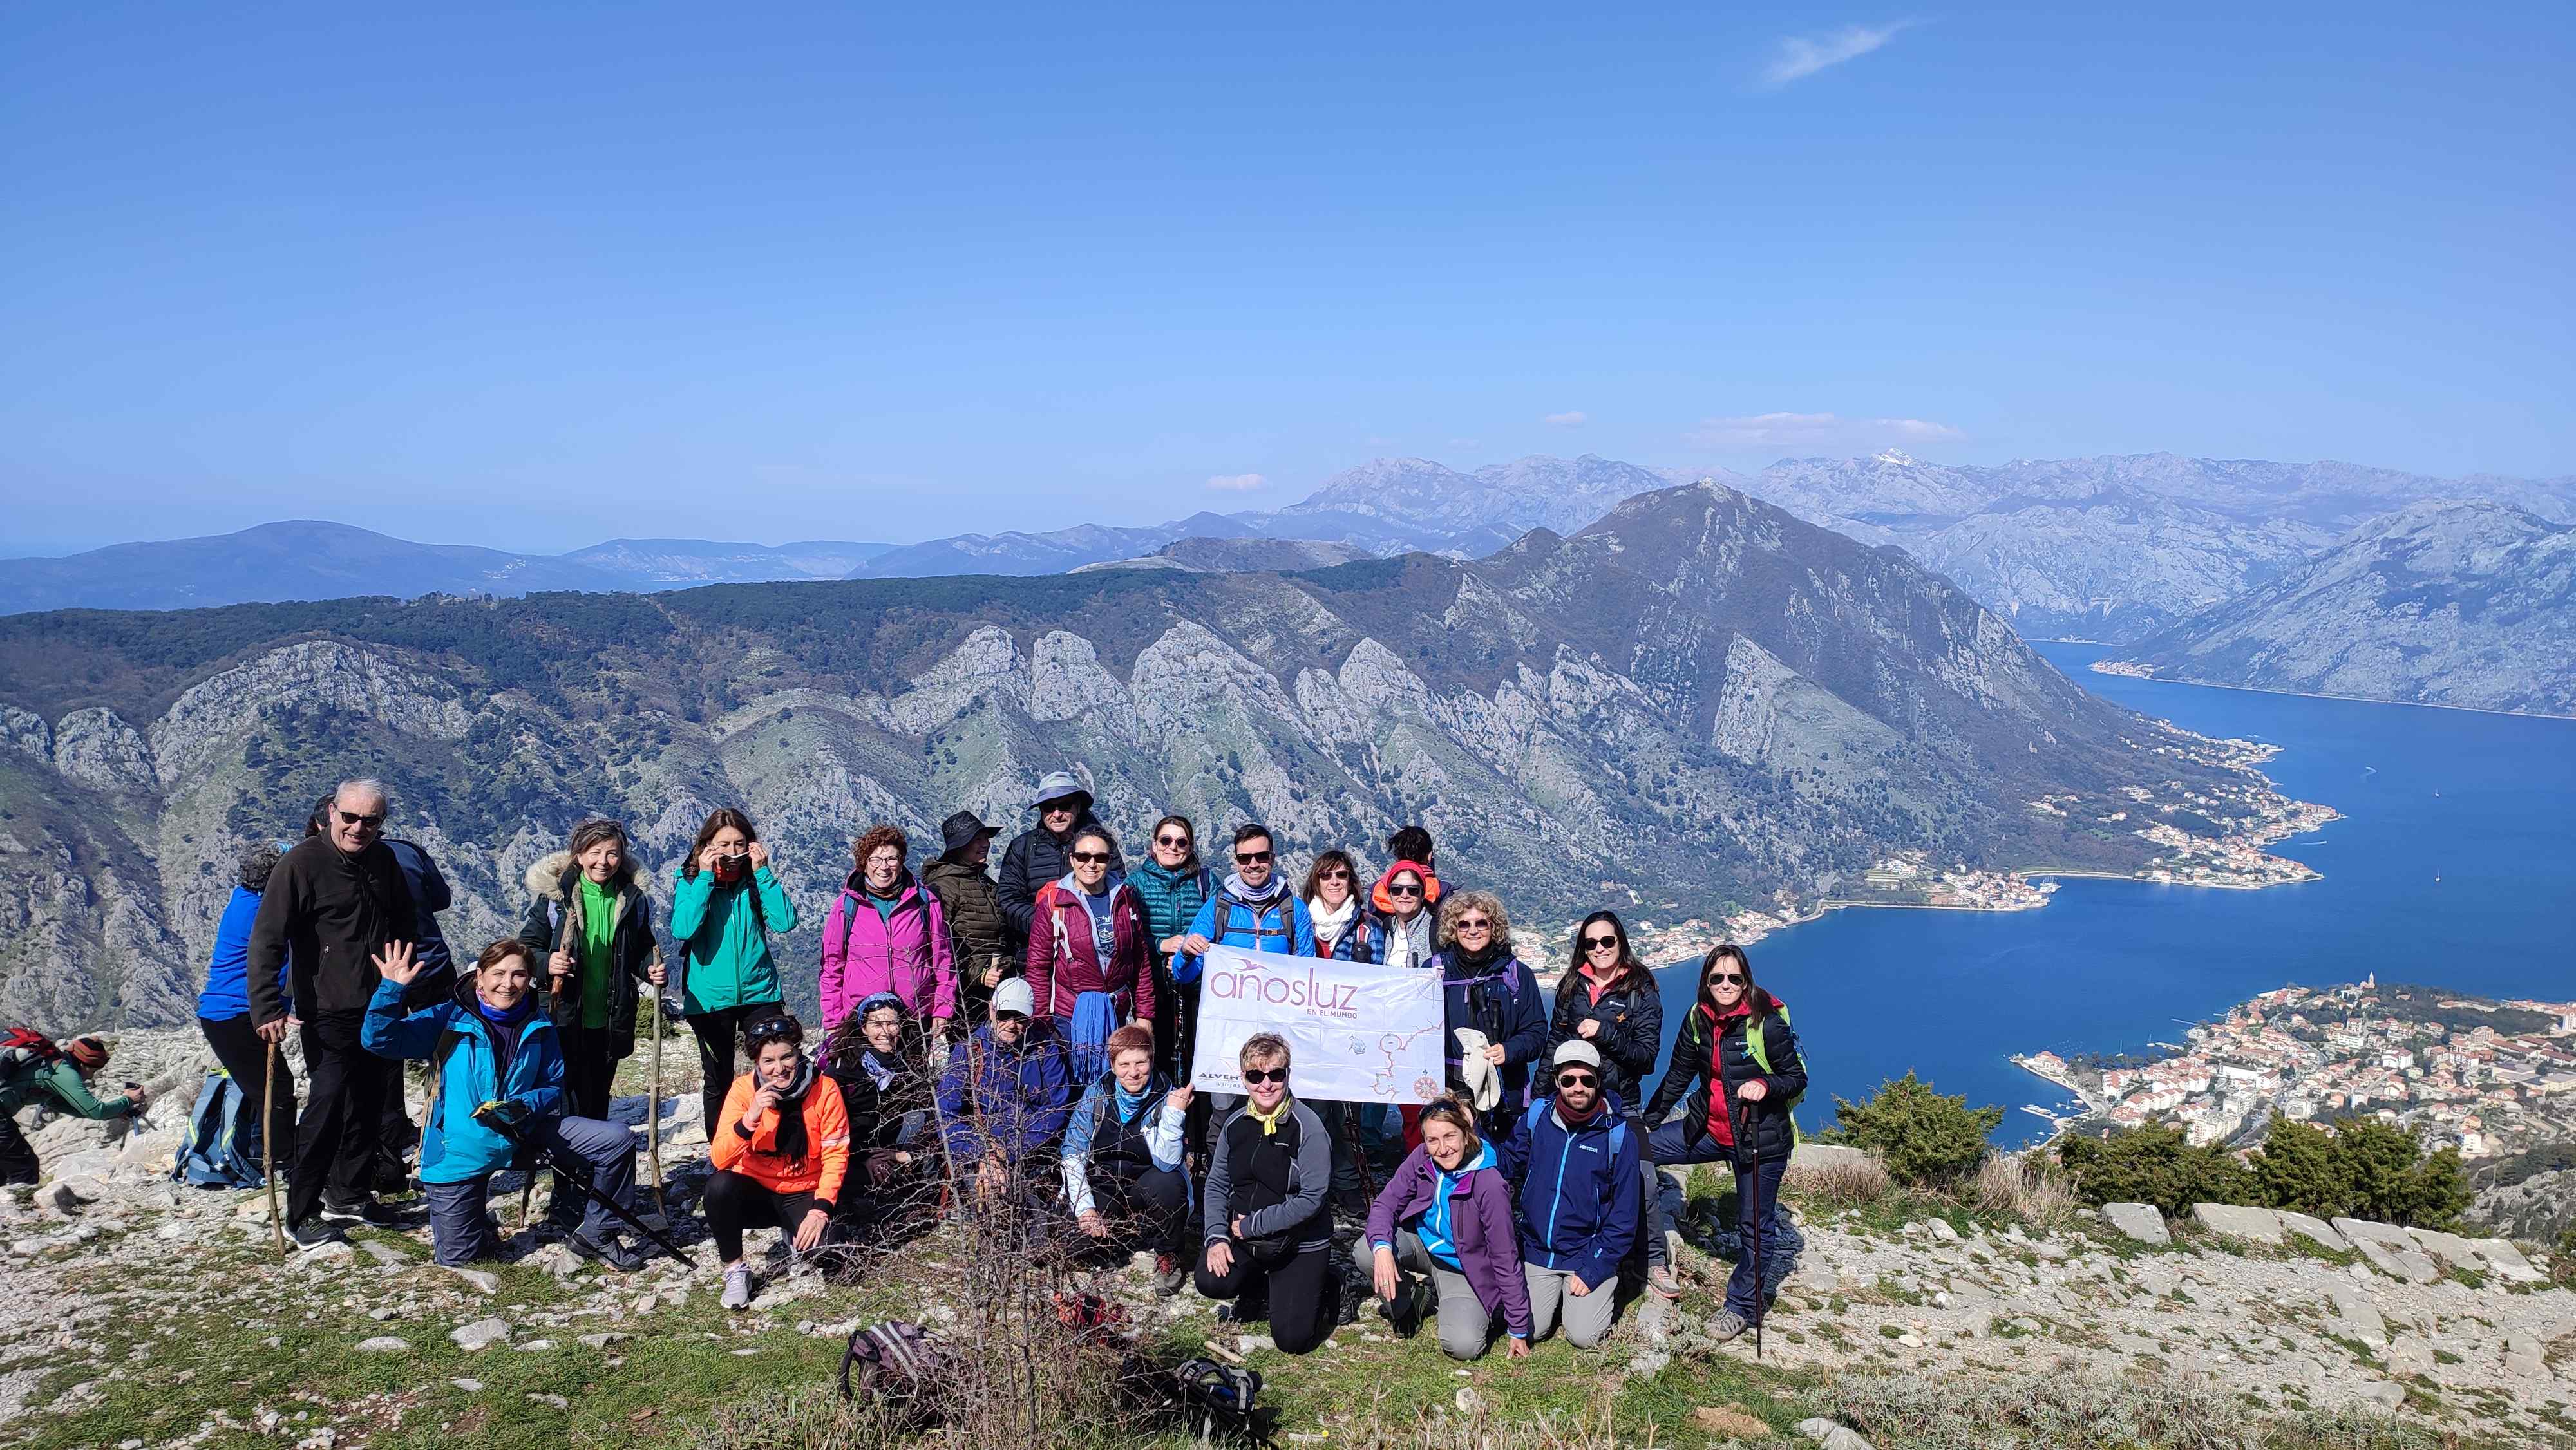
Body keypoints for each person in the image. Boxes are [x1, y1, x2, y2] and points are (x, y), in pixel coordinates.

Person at [359, 939, 647, 1270]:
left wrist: (524, 1106)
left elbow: (552, 1084)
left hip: (524, 1134)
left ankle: (598, 1234)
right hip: (461, 1148)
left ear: (529, 980)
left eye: (518, 975)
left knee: (616, 1141)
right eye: (498, 973)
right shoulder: (449, 1018)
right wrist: (391, 990)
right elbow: (378, 1040)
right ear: (479, 977)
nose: (507, 984)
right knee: (461, 1260)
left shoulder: (539, 1023)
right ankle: (477, 1224)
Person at [247, 778, 417, 1244]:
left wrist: (403, 975)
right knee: (326, 1109)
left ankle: (349, 1195)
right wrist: (266, 1008)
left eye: (371, 821)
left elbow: (405, 919)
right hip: (327, 1009)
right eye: (350, 817)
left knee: (369, 1103)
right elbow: (267, 939)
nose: (359, 828)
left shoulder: (383, 860)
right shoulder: (300, 864)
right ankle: (302, 1213)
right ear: (331, 813)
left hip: (381, 1004)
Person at [1640, 945, 1807, 1341]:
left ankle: (1742, 1307)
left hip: (1759, 1139)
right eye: (1718, 978)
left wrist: (1765, 1084)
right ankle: (1642, 1249)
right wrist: (1647, 1123)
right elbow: (1678, 1075)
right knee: (1636, 1150)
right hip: (1708, 1129)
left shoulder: (1766, 1023)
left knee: (1755, 1226)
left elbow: (1796, 1078)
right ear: (1706, 982)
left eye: (1735, 978)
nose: (1726, 985)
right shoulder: (1698, 1018)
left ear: (1746, 981)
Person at [519, 818, 666, 1233]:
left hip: (608, 1023)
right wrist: (548, 963)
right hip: (564, 1021)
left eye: (612, 853)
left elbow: (640, 947)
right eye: (595, 852)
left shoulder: (631, 899)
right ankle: (566, 1200)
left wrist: (650, 969)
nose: (604, 861)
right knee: (568, 1112)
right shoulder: (556, 899)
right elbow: (526, 948)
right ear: (579, 855)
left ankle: (593, 1198)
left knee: (597, 1109)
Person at [1546, 910, 1673, 1296]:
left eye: (1607, 941)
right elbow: (1554, 1045)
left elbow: (1646, 1059)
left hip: (1621, 1104)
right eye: (1591, 943)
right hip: (1571, 1099)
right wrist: (1539, 1100)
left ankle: (1654, 1261)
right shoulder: (1572, 986)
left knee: (1643, 1181)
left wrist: (1604, 1032)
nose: (1599, 949)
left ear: (1621, 943)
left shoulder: (1641, 990)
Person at [1354, 1097, 1530, 1361]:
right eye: (1433, 1140)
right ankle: (1409, 1301)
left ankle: (1458, 1301)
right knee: (1367, 1251)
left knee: (1464, 1345)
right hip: (1423, 1245)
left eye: (1450, 1137)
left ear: (1466, 1135)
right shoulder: (1422, 1157)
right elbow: (1386, 1203)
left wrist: (1518, 1327)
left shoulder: (1490, 1184)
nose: (1442, 1149)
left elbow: (1505, 1255)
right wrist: (1382, 1248)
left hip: (1463, 1266)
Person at [1195, 1033, 1338, 1354]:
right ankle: (1258, 1285)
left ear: (1288, 1074)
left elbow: (1313, 1198)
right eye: (1256, 1076)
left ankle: (1328, 1282)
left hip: (1297, 1241)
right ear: (1243, 1078)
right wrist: (1216, 1237)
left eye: (1276, 1074)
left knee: (1292, 1341)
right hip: (1247, 1237)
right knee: (1210, 1280)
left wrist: (1252, 1225)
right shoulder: (1234, 1124)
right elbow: (1216, 1183)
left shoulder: (1309, 1127)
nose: (1267, 1084)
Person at [1497, 1042, 1640, 1348]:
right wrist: (1471, 1135)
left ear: (1598, 1081)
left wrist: (1593, 1269)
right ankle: (1555, 1295)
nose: (1578, 1087)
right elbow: (1507, 1161)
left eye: (1587, 1080)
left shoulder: (1618, 1136)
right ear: (1556, 1080)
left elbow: (1624, 1217)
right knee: (1530, 1330)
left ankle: (1600, 1283)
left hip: (1586, 1252)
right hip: (1537, 1251)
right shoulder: (1537, 1117)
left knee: (1584, 1336)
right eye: (1568, 1079)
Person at [707, 1015, 852, 1310]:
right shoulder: (743, 1090)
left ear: (798, 1053)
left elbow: (836, 1155)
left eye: (787, 1057)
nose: (779, 1068)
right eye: (768, 1061)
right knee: (718, 1187)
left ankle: (796, 1230)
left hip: (804, 1188)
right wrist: (750, 1118)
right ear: (756, 1064)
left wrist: (820, 1210)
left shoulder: (824, 1089)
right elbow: (720, 1158)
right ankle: (736, 1270)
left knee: (831, 1254)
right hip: (757, 1190)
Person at [669, 808, 799, 1135]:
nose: (732, 852)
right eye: (723, 844)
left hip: (761, 992)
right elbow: (683, 929)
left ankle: (776, 1147)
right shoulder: (690, 880)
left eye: (739, 844)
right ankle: (723, 1150)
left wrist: (763, 873)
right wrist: (705, 879)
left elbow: (785, 922)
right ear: (706, 845)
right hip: (710, 999)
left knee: (775, 1070)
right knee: (718, 1078)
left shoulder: (754, 880)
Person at [1060, 1024, 1193, 1294]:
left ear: (1152, 1061)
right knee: (1073, 1245)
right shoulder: (1096, 1095)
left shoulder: (1168, 1097)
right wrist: (1086, 1209)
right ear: (1112, 1065)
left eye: (1141, 1063)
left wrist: (1175, 1114)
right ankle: (1119, 1235)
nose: (1133, 1072)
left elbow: (1168, 1162)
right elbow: (1073, 1152)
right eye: (1124, 1064)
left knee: (1169, 1183)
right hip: (1105, 1181)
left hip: (1147, 1180)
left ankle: (1168, 1253)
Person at [194, 842, 295, 1182]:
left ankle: (257, 1155)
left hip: (226, 1014)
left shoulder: (244, 898)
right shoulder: (264, 911)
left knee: (260, 1090)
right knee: (275, 1090)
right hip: (237, 1014)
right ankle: (280, 1163)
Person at [1023, 825, 1155, 1080]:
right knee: (1069, 1084)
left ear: (1109, 860)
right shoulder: (1055, 903)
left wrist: (1145, 1015)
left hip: (1116, 1012)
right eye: (1084, 856)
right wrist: (1040, 1020)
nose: (1091, 864)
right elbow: (1038, 966)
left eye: (1100, 858)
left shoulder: (1124, 898)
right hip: (1068, 1016)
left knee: (1114, 1082)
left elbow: (1140, 961)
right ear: (1072, 859)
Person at [936, 977, 1075, 1210]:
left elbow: (1056, 1108)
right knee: (986, 1198)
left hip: (1031, 1149)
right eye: (1005, 1015)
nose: (1012, 1024)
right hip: (978, 1150)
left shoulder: (1044, 1049)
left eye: (1020, 1018)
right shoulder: (969, 1051)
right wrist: (985, 1153)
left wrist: (1010, 1149)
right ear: (992, 1010)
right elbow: (946, 1115)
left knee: (1033, 1208)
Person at [819, 824, 956, 1044]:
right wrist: (834, 1021)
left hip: (914, 1020)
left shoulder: (924, 901)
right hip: (863, 1021)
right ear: (864, 864)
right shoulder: (847, 906)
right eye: (875, 860)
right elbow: (832, 966)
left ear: (901, 862)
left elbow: (942, 960)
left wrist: (943, 1008)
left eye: (892, 859)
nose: (884, 867)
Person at [374, 824, 455, 1194]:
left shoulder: (347, 863)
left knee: (384, 1066)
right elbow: (442, 899)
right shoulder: (409, 850)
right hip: (431, 963)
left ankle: (389, 1167)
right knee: (449, 1060)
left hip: (383, 972)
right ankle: (446, 1154)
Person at [822, 992, 942, 1241]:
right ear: (863, 1028)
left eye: (892, 1023)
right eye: (876, 1024)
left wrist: (904, 1155)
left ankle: (929, 1200)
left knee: (921, 1120)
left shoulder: (911, 1063)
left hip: (894, 1146)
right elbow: (830, 1126)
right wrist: (864, 1157)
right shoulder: (843, 1069)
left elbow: (932, 1114)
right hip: (851, 1151)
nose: (885, 1032)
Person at [1428, 892, 1548, 1138]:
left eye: (1481, 923)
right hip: (1450, 1088)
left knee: (1500, 1155)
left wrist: (1509, 1050)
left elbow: (1536, 1031)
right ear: (1454, 929)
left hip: (1503, 1088)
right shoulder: (1434, 972)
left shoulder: (1517, 974)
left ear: (1494, 927)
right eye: (1464, 924)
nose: (1473, 931)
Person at [1300, 850, 1378, 1211]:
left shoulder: (1368, 928)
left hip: (1350, 1034)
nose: (1334, 882)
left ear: (1352, 881)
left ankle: (1347, 1183)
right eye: (1326, 875)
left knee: (1349, 1115)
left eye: (1342, 875)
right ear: (1315, 881)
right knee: (1312, 1112)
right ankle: (1313, 1183)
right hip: (1308, 1033)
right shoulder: (1299, 922)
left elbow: (1378, 979)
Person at [997, 772, 1122, 956]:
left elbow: (1119, 892)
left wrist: (1082, 926)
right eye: (1048, 807)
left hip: (1094, 954)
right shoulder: (1022, 847)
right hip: (1036, 952)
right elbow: (1008, 900)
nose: (1057, 814)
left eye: (1064, 806)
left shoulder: (1101, 845)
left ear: (1078, 807)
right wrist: (1048, 924)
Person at [0, 1034, 146, 1189]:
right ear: (86, 1065)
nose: (91, 1076)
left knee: (4, 1166)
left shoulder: (49, 1064)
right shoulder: (63, 1072)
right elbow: (97, 1111)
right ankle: (20, 1203)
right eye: (94, 1070)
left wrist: (115, 1112)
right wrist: (128, 1100)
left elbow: (62, 1104)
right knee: (25, 1166)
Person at [1126, 815, 1211, 1080]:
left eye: (1181, 842)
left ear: (1190, 847)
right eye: (1166, 840)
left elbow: (1221, 929)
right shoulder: (1135, 884)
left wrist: (1191, 954)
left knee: (1200, 1057)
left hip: (1198, 985)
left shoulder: (1206, 882)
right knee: (1157, 1055)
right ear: (1154, 844)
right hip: (1153, 985)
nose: (1173, 847)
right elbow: (1126, 936)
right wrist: (1161, 945)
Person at [1174, 824, 1315, 979]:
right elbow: (1184, 976)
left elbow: (1307, 971)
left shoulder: (1294, 909)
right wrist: (1186, 953)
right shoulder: (1217, 908)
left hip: (1278, 994)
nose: (1253, 865)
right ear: (1236, 861)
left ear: (1272, 859)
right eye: (1244, 858)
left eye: (1262, 856)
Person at [921, 812, 1010, 1024]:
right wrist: (979, 974)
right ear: (960, 847)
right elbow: (939, 947)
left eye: (985, 838)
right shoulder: (944, 888)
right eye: (977, 839)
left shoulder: (987, 884)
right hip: (964, 998)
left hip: (995, 986)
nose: (985, 844)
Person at [1365, 858, 1442, 972]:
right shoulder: (1387, 926)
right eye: (1397, 890)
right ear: (1389, 895)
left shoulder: (1438, 929)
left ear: (1422, 895)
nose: (1405, 895)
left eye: (1413, 890)